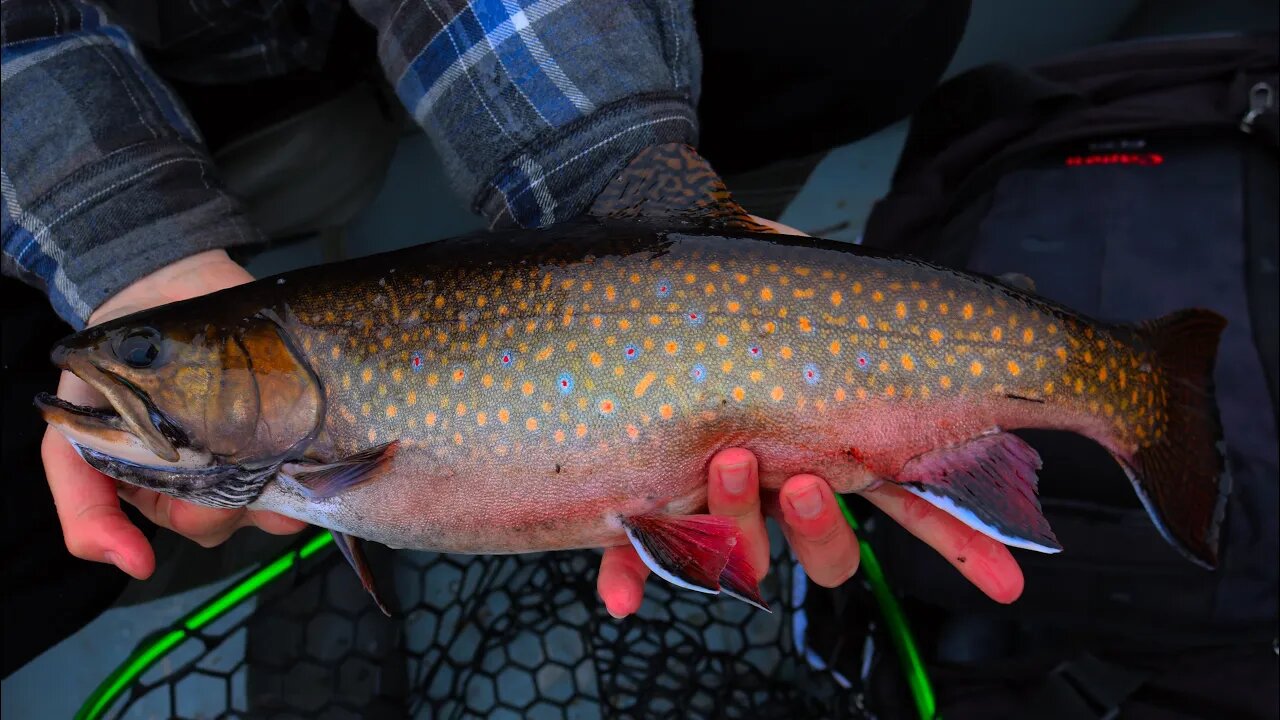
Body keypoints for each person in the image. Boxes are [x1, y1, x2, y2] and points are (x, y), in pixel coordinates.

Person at [2, 0, 1002, 645]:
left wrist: (616, 183)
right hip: (129, 87)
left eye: (145, 352)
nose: (124, 360)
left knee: (864, 28)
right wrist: (131, 255)